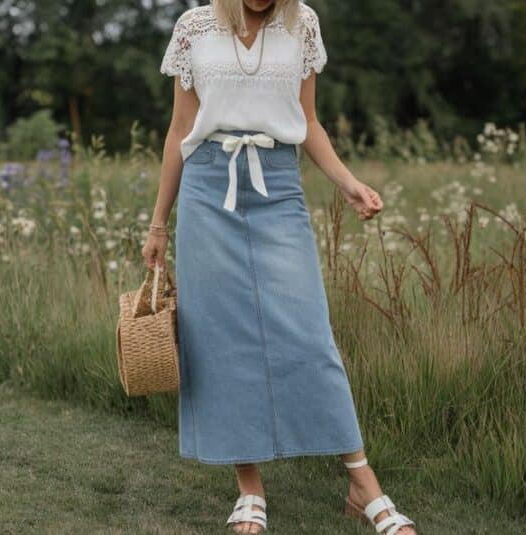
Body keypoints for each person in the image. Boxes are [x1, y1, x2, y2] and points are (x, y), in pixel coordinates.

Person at [141, 1, 416, 533]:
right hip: (206, 190)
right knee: (220, 337)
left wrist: (349, 182)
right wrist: (158, 223)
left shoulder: (302, 23)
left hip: (277, 186)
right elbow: (179, 130)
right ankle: (249, 486)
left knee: (309, 331)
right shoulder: (193, 27)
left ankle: (363, 483)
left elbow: (308, 120)